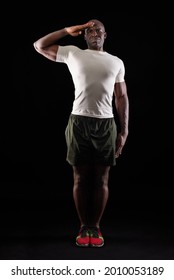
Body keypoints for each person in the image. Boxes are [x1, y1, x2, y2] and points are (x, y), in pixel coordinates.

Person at [33, 19, 129, 248]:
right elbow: (39, 45)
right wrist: (67, 30)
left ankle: (95, 227)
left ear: (106, 35)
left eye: (99, 30)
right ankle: (83, 225)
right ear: (84, 36)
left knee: (101, 179)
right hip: (79, 122)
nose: (95, 32)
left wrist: (124, 131)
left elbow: (121, 97)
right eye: (90, 30)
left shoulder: (116, 62)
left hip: (106, 124)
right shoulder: (74, 53)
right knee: (81, 177)